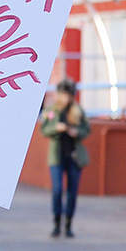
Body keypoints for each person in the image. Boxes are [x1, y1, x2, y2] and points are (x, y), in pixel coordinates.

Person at [39, 77, 90, 238]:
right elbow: (44, 130)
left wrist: (77, 132)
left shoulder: (77, 111)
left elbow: (86, 129)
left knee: (72, 191)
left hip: (74, 155)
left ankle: (68, 224)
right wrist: (57, 127)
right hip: (57, 155)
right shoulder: (52, 110)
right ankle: (56, 222)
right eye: (63, 94)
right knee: (57, 189)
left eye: (69, 95)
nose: (66, 98)